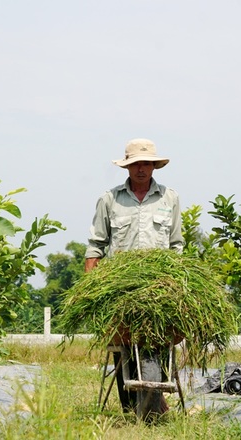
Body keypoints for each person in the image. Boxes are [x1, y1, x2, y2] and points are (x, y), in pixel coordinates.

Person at [84, 138, 184, 413]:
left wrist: (174, 282)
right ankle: (129, 403)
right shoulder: (110, 199)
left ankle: (155, 397)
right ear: (127, 167)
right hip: (121, 285)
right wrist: (90, 286)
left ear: (154, 166)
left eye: (147, 163)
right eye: (136, 164)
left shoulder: (169, 198)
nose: (142, 168)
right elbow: (96, 245)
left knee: (160, 339)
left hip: (159, 284)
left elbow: (176, 245)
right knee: (122, 342)